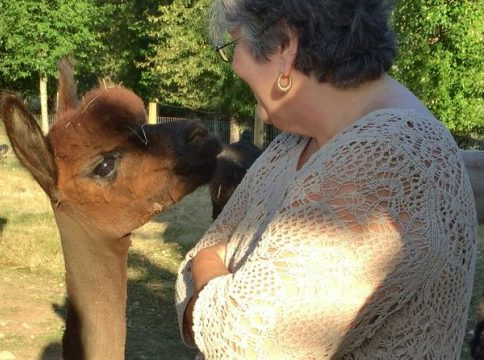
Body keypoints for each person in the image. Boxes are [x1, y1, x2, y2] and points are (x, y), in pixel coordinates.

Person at [175, 0, 477, 358]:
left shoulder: (389, 159)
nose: (234, 64)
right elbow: (188, 274)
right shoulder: (293, 142)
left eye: (234, 43)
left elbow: (247, 344)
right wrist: (214, 281)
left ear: (285, 46)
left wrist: (209, 266)